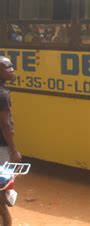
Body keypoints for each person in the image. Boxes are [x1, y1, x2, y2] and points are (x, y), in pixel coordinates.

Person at [0, 56, 21, 226]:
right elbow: (6, 124)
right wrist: (14, 150)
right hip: (2, 147)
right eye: (7, 67)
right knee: (4, 186)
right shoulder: (3, 95)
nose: (12, 69)